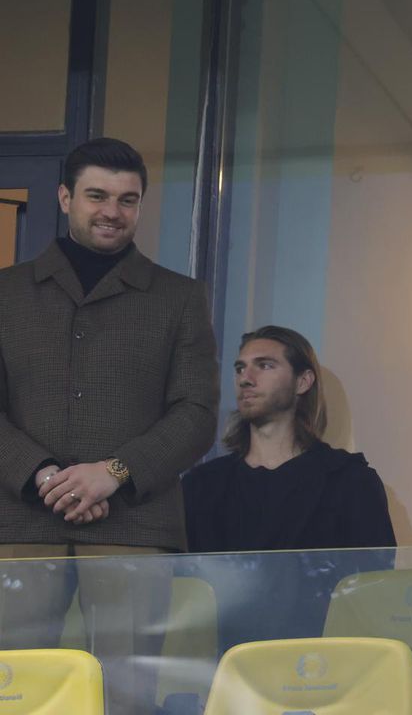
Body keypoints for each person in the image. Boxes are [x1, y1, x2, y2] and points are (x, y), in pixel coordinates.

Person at [0, 137, 219, 713]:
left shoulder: (181, 296)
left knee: (127, 695)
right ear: (66, 196)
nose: (112, 212)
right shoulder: (5, 292)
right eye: (97, 195)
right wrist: (45, 474)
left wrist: (114, 473)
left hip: (134, 522)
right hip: (18, 517)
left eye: (128, 199)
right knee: (16, 689)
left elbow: (197, 414)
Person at [183, 325, 396, 551]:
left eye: (264, 365)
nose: (245, 379)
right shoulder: (202, 486)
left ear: (303, 381)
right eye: (240, 368)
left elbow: (374, 581)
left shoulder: (349, 481)